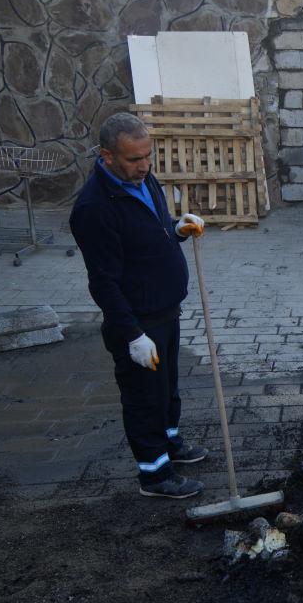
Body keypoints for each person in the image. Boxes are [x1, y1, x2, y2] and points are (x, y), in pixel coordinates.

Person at [70, 112, 209, 500]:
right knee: (143, 398)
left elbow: (153, 228)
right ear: (106, 155)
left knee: (167, 389)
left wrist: (176, 229)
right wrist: (132, 335)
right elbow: (103, 281)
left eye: (148, 156)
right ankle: (154, 475)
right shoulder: (94, 208)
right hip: (137, 321)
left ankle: (171, 444)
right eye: (134, 159)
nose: (145, 166)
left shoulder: (143, 179)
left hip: (165, 310)